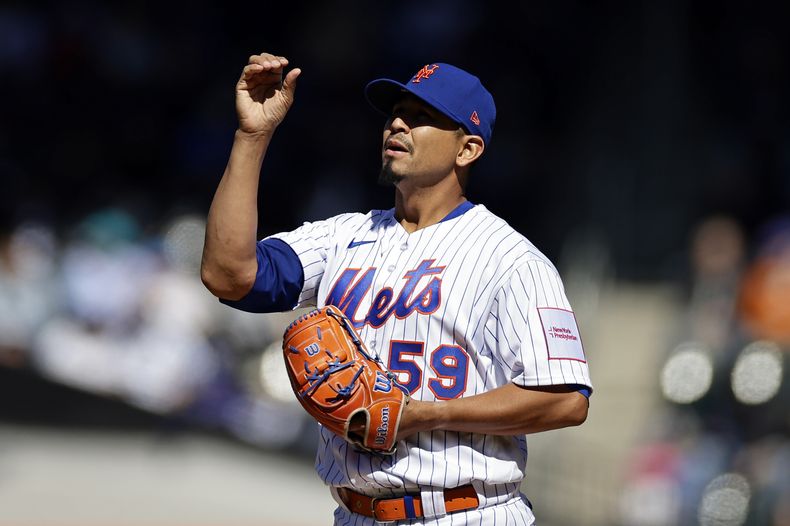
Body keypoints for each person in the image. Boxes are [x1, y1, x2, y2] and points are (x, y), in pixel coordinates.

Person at [201, 52, 593, 525]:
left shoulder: (511, 260)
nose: (399, 124)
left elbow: (565, 400)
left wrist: (425, 415)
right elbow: (229, 275)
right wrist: (252, 136)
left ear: (467, 149)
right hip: (355, 513)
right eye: (396, 113)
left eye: (423, 117)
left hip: (465, 512)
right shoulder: (343, 236)